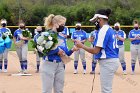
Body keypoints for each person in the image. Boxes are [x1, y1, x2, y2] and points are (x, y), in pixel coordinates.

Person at [75, 9, 119, 93]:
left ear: (100, 19)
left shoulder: (103, 30)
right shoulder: (109, 29)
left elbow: (95, 51)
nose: (94, 23)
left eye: (95, 20)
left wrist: (81, 45)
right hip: (111, 60)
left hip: (108, 61)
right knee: (106, 89)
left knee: (106, 90)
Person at [41, 14, 78, 93]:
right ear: (55, 24)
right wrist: (56, 51)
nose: (63, 27)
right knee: (47, 90)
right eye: (62, 24)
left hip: (60, 65)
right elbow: (43, 51)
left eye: (64, 25)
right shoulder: (46, 35)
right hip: (49, 64)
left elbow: (66, 54)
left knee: (59, 90)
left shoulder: (62, 37)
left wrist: (72, 49)